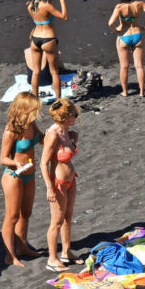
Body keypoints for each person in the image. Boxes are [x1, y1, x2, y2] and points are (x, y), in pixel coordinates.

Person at [0, 92, 43, 266]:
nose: (36, 113)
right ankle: (10, 255)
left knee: (26, 213)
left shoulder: (31, 124)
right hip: (14, 175)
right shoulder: (11, 130)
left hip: (29, 174)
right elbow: (3, 158)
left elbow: (43, 140)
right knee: (12, 216)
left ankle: (22, 247)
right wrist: (16, 163)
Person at [40, 98, 80, 272]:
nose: (76, 116)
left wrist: (73, 139)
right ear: (65, 117)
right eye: (73, 114)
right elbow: (43, 163)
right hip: (58, 182)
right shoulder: (53, 134)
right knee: (56, 221)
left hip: (71, 179)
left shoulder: (67, 131)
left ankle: (65, 251)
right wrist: (49, 187)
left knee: (68, 217)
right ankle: (52, 259)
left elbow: (69, 145)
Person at [107, 0, 145, 97]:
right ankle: (142, 92)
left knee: (124, 67)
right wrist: (144, 27)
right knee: (139, 66)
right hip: (137, 35)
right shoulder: (140, 4)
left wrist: (116, 30)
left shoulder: (119, 6)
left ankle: (125, 91)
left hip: (124, 36)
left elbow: (110, 23)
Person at [26, 0, 68, 101]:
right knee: (54, 72)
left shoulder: (30, 5)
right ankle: (59, 100)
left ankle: (35, 99)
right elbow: (64, 16)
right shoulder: (46, 6)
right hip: (48, 39)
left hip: (35, 39)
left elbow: (44, 13)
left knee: (36, 71)